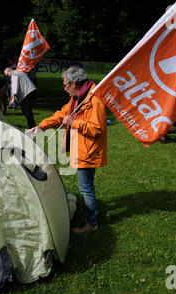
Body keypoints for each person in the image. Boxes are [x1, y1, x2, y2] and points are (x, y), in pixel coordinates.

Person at [27, 66, 108, 234]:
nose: (64, 88)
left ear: (74, 83)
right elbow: (61, 114)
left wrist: (74, 123)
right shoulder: (78, 98)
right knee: (86, 186)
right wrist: (41, 126)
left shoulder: (94, 101)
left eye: (65, 85)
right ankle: (88, 210)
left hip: (88, 151)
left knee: (86, 187)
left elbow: (97, 129)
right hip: (82, 148)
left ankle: (91, 223)